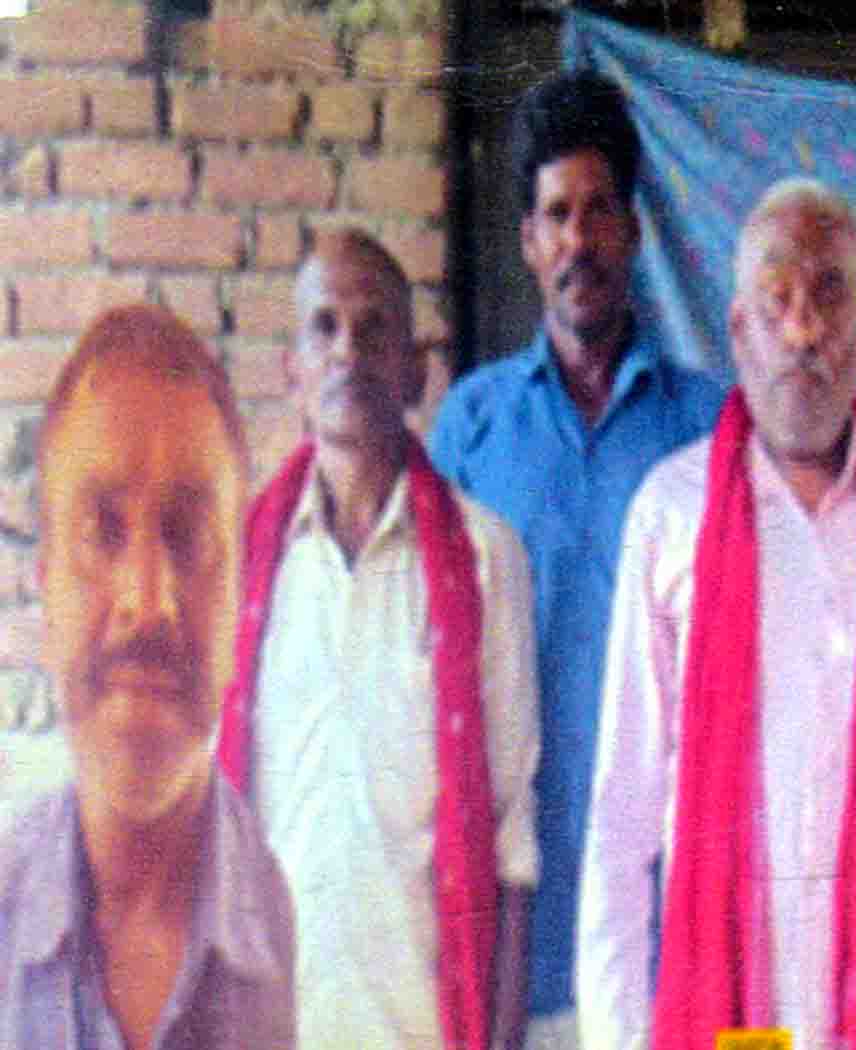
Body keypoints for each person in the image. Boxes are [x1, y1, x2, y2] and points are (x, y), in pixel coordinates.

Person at [577, 179, 856, 1050]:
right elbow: (623, 814)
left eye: (829, 296)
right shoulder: (671, 516)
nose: (803, 330)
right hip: (720, 1022)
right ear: (739, 332)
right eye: (776, 299)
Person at [428, 69, 725, 1047]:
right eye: (557, 215)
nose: (578, 239)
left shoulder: (711, 428)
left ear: (634, 231)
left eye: (600, 212)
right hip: (528, 943)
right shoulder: (473, 429)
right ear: (527, 241)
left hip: (682, 939)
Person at [217, 229, 539, 1050]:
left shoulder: (485, 559)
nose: (348, 352)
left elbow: (512, 842)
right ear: (291, 370)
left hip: (424, 1029)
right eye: (324, 327)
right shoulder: (238, 569)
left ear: (416, 372)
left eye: (374, 328)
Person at [0, 304, 295, 1048]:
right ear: (44, 585)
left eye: (188, 536)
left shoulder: (323, 936)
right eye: (102, 532)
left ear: (240, 591)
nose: (147, 598)